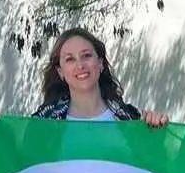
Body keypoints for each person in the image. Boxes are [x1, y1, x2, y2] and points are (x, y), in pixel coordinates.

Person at [32, 27, 167, 126]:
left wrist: (155, 135)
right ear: (60, 71)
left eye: (86, 55)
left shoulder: (131, 118)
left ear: (100, 63)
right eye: (70, 59)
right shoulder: (42, 123)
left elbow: (152, 163)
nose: (80, 66)